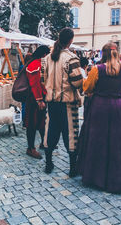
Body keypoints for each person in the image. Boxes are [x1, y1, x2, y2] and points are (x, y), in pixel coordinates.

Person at [77, 42, 121, 193]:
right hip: (118, 107)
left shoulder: (97, 69)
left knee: (98, 140)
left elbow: (87, 87)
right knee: (118, 142)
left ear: (103, 54)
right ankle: (117, 177)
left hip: (100, 106)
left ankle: (95, 176)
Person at [44, 28, 83, 175]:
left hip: (51, 102)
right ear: (71, 40)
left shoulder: (47, 58)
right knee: (71, 134)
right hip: (67, 103)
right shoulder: (71, 58)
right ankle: (73, 168)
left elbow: (43, 80)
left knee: (51, 132)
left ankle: (48, 164)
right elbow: (78, 82)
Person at [24, 45, 50, 159]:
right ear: (44, 54)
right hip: (34, 99)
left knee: (41, 121)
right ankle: (30, 148)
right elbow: (35, 84)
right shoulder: (35, 64)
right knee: (32, 124)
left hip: (39, 98)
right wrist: (39, 100)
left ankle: (44, 143)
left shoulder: (39, 63)